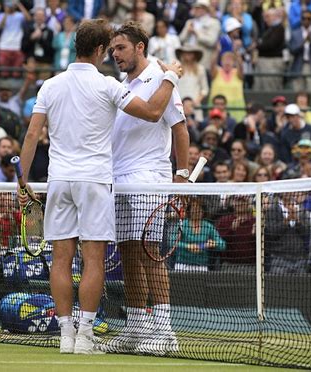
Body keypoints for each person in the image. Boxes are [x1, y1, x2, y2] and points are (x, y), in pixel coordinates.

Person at [17, 18, 182, 355]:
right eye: (109, 49)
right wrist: (173, 75)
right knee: (97, 259)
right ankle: (86, 336)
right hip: (96, 181)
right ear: (97, 50)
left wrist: (21, 180)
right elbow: (152, 112)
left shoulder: (49, 84)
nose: (112, 55)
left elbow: (32, 135)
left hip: (61, 180)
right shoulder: (108, 85)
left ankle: (68, 335)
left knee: (62, 260)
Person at [107, 21, 189, 355]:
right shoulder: (120, 85)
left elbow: (180, 129)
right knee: (127, 253)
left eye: (121, 48)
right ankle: (137, 329)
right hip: (120, 178)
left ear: (140, 47)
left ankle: (165, 331)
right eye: (112, 49)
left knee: (150, 253)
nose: (115, 54)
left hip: (149, 178)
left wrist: (182, 176)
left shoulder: (160, 75)